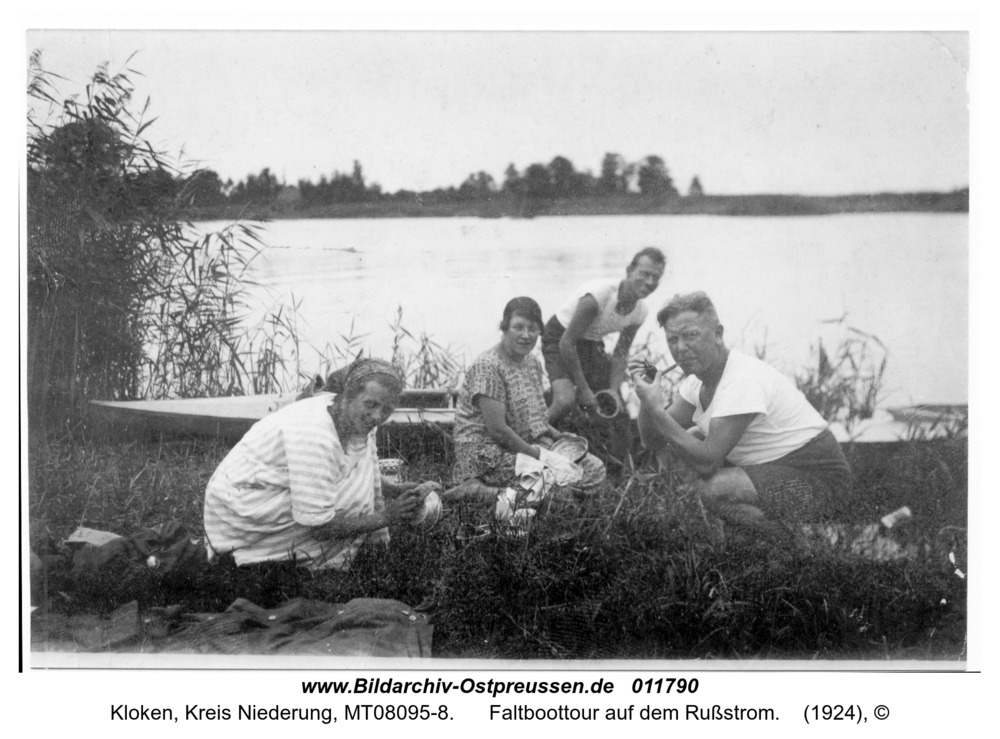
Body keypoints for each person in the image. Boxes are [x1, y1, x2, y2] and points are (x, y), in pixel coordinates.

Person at [630, 292, 851, 536]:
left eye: (691, 335)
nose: (681, 348)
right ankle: (755, 537)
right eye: (673, 339)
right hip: (773, 470)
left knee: (712, 489)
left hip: (820, 481)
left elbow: (707, 462)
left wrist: (657, 410)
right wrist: (645, 399)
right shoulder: (699, 381)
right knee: (682, 443)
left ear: (717, 334)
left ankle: (791, 548)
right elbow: (653, 441)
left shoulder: (742, 380)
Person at [203, 358, 433, 570]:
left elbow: (358, 466)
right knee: (347, 501)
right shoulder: (314, 433)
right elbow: (321, 528)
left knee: (352, 495)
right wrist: (385, 518)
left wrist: (394, 489)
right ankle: (276, 557)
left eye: (386, 409)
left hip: (268, 496)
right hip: (245, 519)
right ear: (347, 395)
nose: (377, 416)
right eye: (370, 404)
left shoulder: (353, 419)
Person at [444, 297, 606, 514]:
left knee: (594, 470)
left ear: (540, 331)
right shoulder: (488, 367)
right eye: (518, 327)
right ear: (505, 328)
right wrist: (538, 456)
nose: (526, 335)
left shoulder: (532, 363)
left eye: (533, 328)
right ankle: (477, 490)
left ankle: (522, 497)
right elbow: (498, 431)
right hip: (486, 453)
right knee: (556, 489)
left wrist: (556, 436)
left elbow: (534, 415)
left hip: (525, 445)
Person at [542, 247, 666, 424]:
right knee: (565, 401)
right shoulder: (599, 295)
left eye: (656, 277)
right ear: (630, 271)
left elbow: (621, 353)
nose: (649, 282)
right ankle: (529, 435)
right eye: (645, 274)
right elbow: (567, 343)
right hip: (560, 337)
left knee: (614, 406)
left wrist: (614, 389)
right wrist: (584, 389)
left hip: (591, 343)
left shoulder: (640, 311)